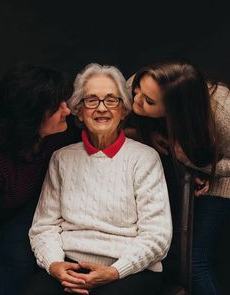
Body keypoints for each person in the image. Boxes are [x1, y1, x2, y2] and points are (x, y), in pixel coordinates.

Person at [23, 63, 172, 295]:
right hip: (69, 265)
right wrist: (55, 265)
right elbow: (44, 226)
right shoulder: (62, 158)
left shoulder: (145, 158)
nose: (101, 108)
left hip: (129, 270)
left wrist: (115, 271)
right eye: (91, 100)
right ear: (79, 112)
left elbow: (158, 235)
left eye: (112, 100)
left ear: (123, 110)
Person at [126, 59, 230, 295]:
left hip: (222, 180)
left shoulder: (223, 111)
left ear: (176, 109)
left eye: (149, 101)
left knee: (194, 263)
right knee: (170, 263)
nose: (136, 100)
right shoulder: (140, 83)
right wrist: (150, 134)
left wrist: (197, 164)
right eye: (137, 91)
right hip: (177, 169)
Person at [0, 62, 81, 295]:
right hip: (4, 216)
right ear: (31, 115)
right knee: (16, 252)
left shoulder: (60, 132)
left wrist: (147, 133)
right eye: (57, 107)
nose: (67, 110)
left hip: (37, 204)